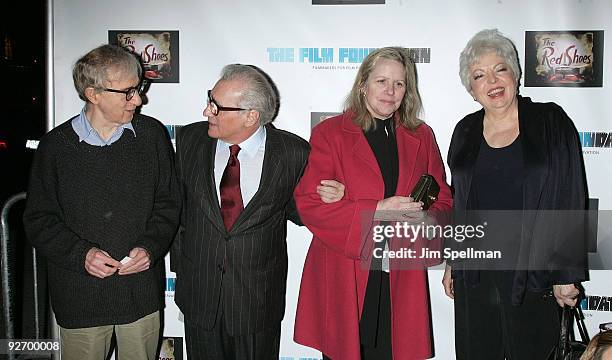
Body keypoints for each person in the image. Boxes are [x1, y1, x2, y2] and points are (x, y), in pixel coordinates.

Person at [171, 64, 342, 359]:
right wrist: (183, 269)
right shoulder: (189, 141)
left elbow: (301, 212)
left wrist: (333, 199)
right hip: (199, 296)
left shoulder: (293, 153)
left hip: (257, 302)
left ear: (251, 116)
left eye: (216, 106)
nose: (206, 111)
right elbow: (178, 210)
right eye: (210, 100)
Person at [293, 47, 453, 360]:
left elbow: (443, 200)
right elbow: (309, 204)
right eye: (382, 81)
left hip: (400, 276)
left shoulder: (422, 135)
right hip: (345, 274)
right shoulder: (329, 134)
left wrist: (426, 219)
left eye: (399, 84)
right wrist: (377, 209)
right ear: (363, 84)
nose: (390, 91)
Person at [23, 44, 181, 360]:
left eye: (139, 88)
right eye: (127, 92)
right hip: (79, 295)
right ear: (94, 94)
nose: (139, 99)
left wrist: (150, 247)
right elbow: (39, 219)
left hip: (139, 293)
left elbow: (169, 203)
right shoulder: (56, 147)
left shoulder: (151, 136)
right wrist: (81, 255)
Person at [443, 29, 588, 359]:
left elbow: (570, 195)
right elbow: (460, 201)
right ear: (471, 89)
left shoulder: (550, 121)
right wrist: (454, 260)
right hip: (476, 275)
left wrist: (565, 274)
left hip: (533, 276)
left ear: (516, 72)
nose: (492, 81)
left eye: (500, 68)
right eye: (479, 75)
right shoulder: (464, 131)